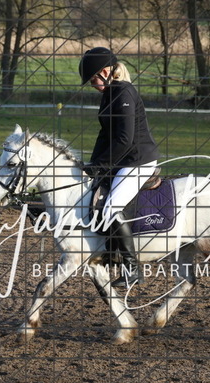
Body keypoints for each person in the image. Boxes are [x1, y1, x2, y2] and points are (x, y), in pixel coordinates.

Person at [79, 47, 160, 288]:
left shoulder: (123, 91)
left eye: (93, 79)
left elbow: (124, 139)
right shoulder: (109, 94)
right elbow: (105, 136)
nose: (92, 84)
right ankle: (109, 253)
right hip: (123, 160)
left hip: (138, 160)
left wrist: (102, 165)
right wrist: (91, 166)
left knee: (111, 209)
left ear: (105, 72)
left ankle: (133, 269)